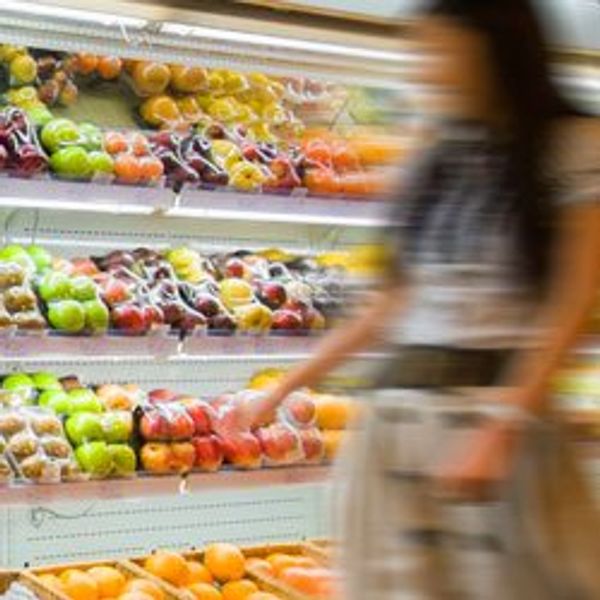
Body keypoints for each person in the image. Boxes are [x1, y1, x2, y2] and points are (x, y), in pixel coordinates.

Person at [237, 0, 600, 597]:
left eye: (442, 51)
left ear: (495, 47)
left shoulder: (570, 145)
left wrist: (506, 423)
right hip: (400, 423)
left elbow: (574, 299)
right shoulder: (439, 156)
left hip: (493, 417)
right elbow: (391, 301)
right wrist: (277, 390)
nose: (429, 69)